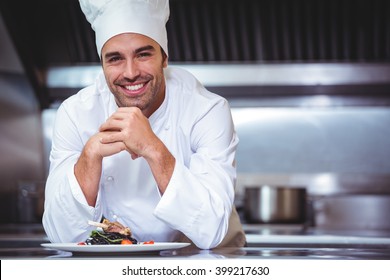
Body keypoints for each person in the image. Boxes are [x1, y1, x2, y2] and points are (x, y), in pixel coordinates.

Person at [42, 0, 246, 249]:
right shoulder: (76, 113)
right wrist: (90, 156)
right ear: (103, 65)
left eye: (143, 54)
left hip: (203, 263)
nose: (130, 72)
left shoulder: (206, 110)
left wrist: (152, 147)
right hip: (115, 262)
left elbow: (211, 229)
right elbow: (59, 234)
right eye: (115, 58)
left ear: (164, 58)